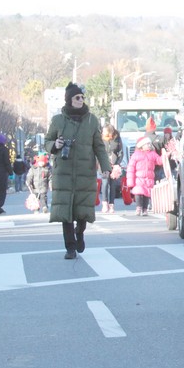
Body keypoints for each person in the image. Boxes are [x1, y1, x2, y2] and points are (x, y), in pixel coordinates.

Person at [45, 83, 120, 259]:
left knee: (82, 210)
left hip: (85, 172)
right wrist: (55, 145)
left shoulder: (91, 120)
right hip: (63, 172)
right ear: (69, 99)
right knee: (65, 212)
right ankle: (70, 248)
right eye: (77, 97)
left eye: (82, 97)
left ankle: (80, 231)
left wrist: (106, 168)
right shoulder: (57, 120)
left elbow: (99, 147)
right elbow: (47, 141)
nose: (81, 100)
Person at [126, 135, 161, 216]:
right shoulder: (136, 155)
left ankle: (145, 209)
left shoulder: (152, 154)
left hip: (149, 178)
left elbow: (158, 160)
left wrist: (165, 156)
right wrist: (130, 181)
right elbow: (131, 168)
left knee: (146, 194)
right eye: (147, 144)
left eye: (149, 144)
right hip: (139, 178)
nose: (149, 145)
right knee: (138, 193)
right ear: (141, 146)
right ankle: (138, 207)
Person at [99, 124, 124, 214]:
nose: (103, 132)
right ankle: (105, 203)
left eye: (105, 130)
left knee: (112, 185)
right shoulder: (101, 138)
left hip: (114, 164)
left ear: (110, 131)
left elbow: (121, 152)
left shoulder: (117, 138)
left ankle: (111, 204)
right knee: (105, 183)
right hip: (104, 163)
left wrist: (117, 163)